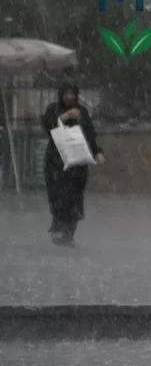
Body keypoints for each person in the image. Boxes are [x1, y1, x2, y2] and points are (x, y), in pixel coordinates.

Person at [41, 83, 104, 246]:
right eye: (66, 93)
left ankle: (69, 234)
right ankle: (59, 224)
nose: (69, 97)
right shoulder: (53, 109)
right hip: (56, 161)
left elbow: (90, 132)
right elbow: (48, 126)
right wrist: (66, 116)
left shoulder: (82, 112)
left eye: (72, 94)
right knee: (58, 195)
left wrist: (98, 151)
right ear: (60, 95)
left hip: (78, 161)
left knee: (74, 198)